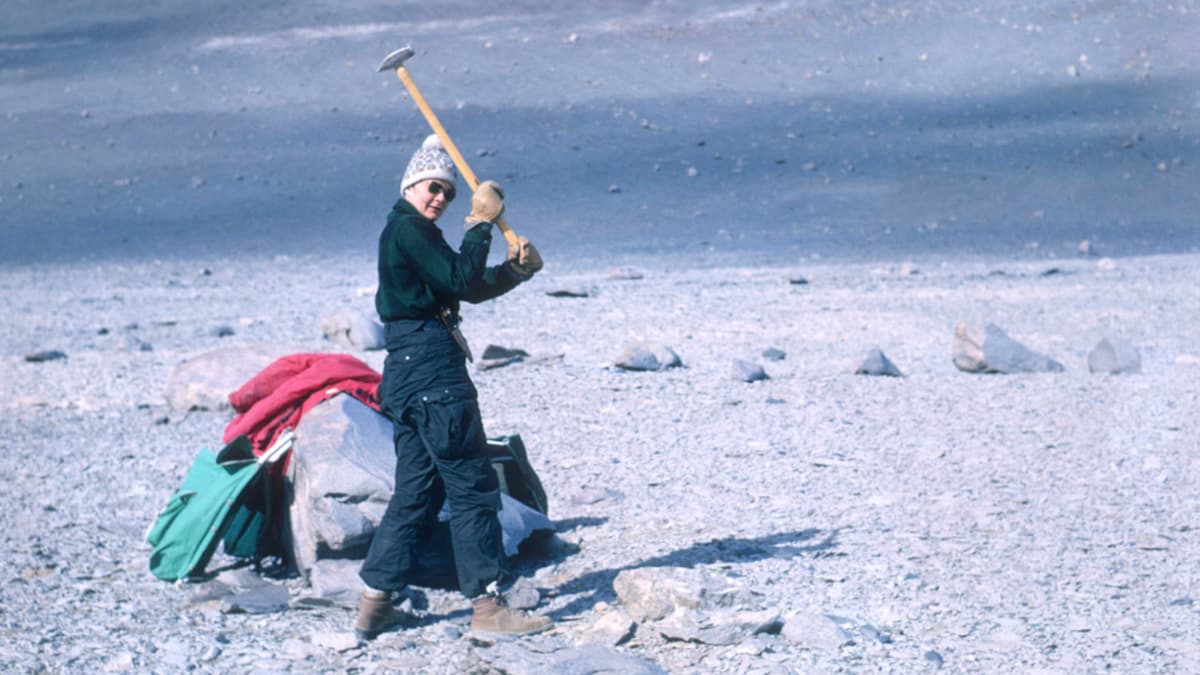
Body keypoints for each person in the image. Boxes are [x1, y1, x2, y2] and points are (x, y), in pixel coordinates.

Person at [355, 134, 549, 639]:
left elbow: (466, 284)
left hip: (405, 371)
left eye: (448, 191)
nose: (441, 197)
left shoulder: (409, 232)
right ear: (410, 186)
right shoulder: (411, 230)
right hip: (434, 372)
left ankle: (375, 602)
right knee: (472, 487)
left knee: (416, 493)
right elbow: (461, 281)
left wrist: (514, 272)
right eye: (433, 187)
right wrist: (481, 224)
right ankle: (488, 607)